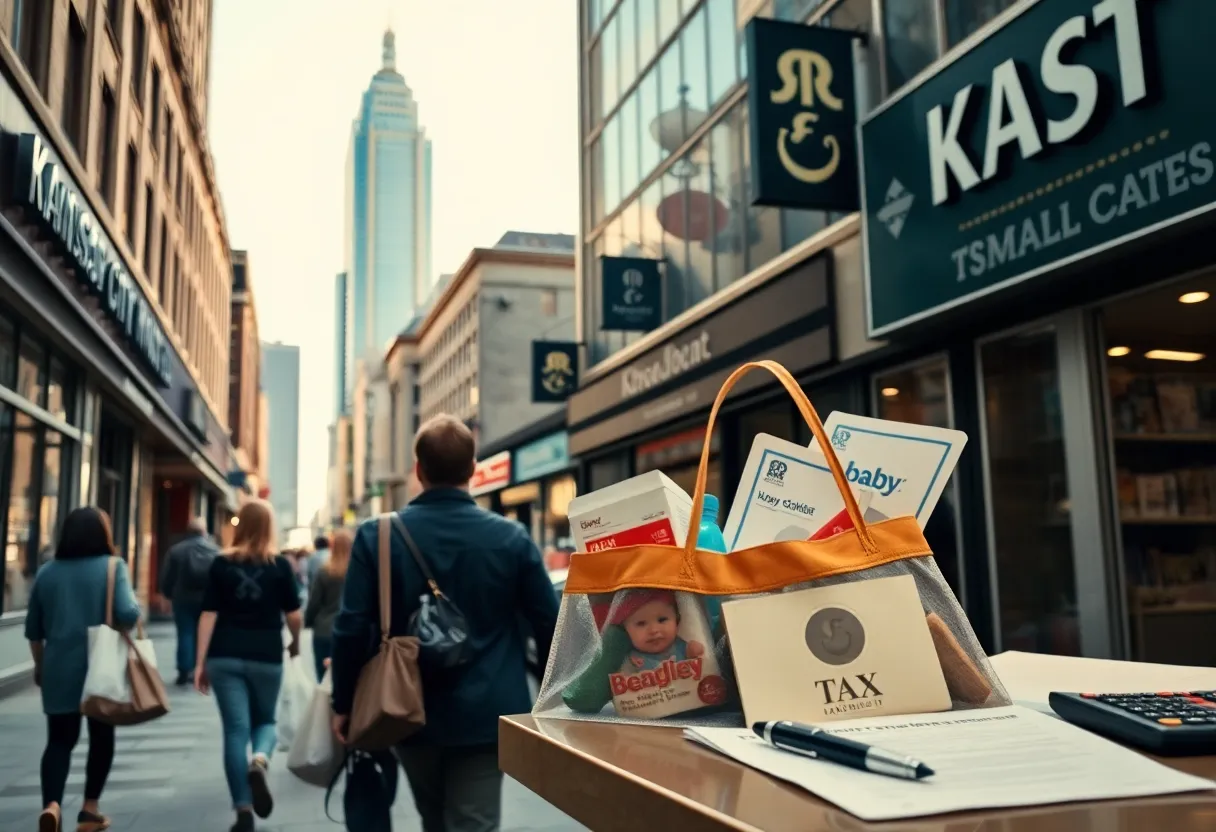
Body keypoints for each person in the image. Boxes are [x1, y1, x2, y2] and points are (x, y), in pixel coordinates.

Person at [331, 414, 560, 832]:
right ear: (472, 468)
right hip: (490, 710)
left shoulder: (377, 536)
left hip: (406, 707)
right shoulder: (511, 538)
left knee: (432, 817)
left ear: (418, 470)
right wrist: (554, 702)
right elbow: (551, 624)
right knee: (475, 822)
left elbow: (350, 627)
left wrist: (343, 703)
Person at [26, 507, 140, 832]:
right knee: (102, 737)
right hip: (100, 667)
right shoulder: (113, 567)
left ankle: (52, 805)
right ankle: (90, 809)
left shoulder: (47, 573)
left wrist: (40, 666)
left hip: (58, 668)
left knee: (59, 740)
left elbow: (34, 630)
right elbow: (127, 613)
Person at [195, 500, 302, 832]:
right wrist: (295, 643)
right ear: (269, 527)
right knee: (265, 721)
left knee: (235, 731)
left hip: (224, 655)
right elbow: (294, 615)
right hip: (266, 655)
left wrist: (200, 662)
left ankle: (243, 810)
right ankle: (260, 760)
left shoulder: (221, 564)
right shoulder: (280, 566)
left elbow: (208, 613)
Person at [159, 517, 219, 685]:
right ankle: (202, 668)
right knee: (204, 634)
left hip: (183, 598)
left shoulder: (176, 550)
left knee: (185, 633)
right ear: (204, 532)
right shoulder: (215, 551)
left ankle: (185, 670)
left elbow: (167, 577)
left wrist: (166, 596)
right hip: (208, 600)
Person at [304, 528, 351, 681]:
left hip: (324, 629)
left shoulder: (324, 572)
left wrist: (308, 621)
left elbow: (314, 602)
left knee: (323, 676)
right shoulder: (357, 572)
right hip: (349, 629)